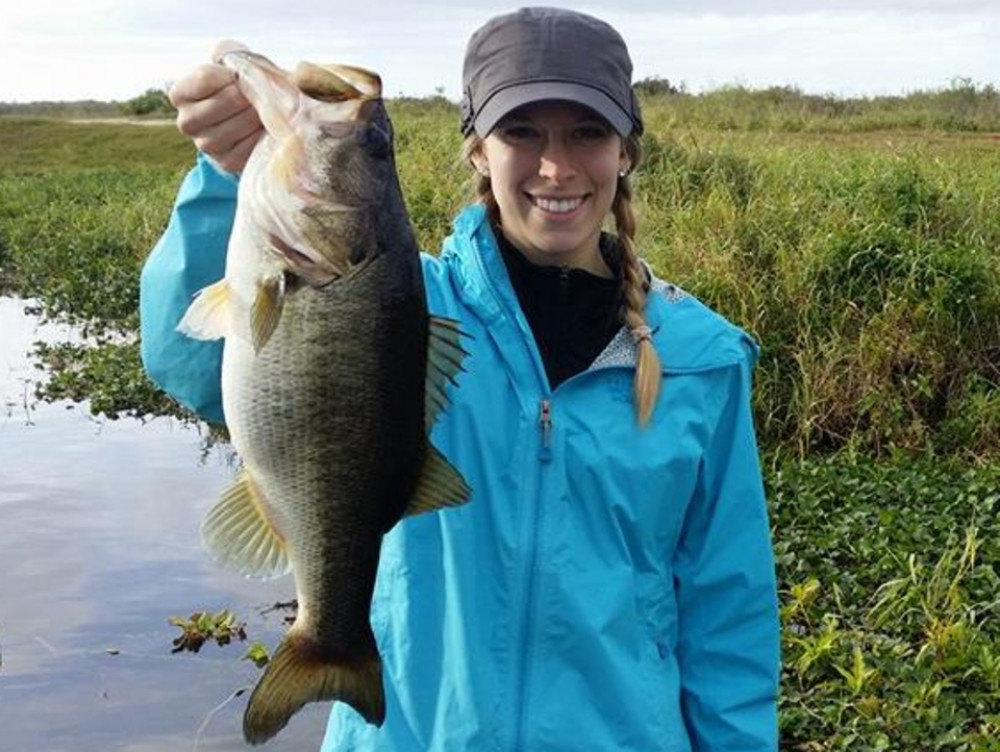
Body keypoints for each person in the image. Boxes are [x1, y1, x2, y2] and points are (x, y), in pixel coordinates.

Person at [140, 7, 780, 751]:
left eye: (587, 133)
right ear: (476, 149)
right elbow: (183, 361)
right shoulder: (405, 302)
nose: (556, 167)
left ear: (626, 151)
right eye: (521, 133)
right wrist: (225, 177)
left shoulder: (703, 359)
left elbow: (726, 612)